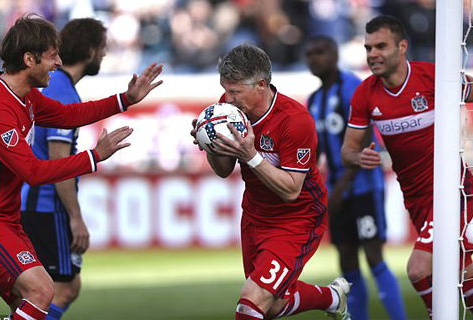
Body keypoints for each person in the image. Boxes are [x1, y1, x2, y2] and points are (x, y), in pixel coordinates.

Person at [0, 14, 163, 320]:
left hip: (9, 219)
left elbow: (70, 115)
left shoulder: (26, 98)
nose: (58, 62)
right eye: (51, 56)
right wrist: (94, 157)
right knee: (43, 291)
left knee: (29, 300)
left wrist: (126, 99)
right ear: (29, 59)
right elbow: (32, 171)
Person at [191, 43, 351, 320]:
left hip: (297, 219)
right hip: (255, 216)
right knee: (272, 306)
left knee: (251, 302)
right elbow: (223, 170)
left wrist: (251, 155)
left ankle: (332, 299)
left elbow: (291, 190)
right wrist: (211, 147)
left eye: (234, 92)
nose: (226, 99)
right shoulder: (229, 110)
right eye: (225, 90)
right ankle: (332, 298)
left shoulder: (295, 121)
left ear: (260, 85)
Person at [341, 15, 473, 318]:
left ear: (402, 47)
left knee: (418, 269)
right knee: (465, 273)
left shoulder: (433, 78)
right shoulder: (365, 94)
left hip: (455, 191)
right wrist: (358, 158)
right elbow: (348, 150)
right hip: (418, 202)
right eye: (368, 47)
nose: (372, 53)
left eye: (381, 46)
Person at [305, 35, 406, 320]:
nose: (314, 57)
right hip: (335, 192)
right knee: (347, 260)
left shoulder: (353, 89)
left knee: (374, 256)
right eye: (310, 53)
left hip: (363, 187)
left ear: (335, 54)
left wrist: (337, 188)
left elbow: (363, 144)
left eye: (320, 51)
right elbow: (315, 154)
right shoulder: (314, 101)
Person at [19, 18, 107, 320]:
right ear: (91, 51)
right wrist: (76, 218)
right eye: (103, 48)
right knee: (61, 289)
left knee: (42, 290)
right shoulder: (62, 92)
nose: (105, 55)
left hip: (29, 200)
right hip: (45, 206)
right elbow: (59, 163)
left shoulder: (51, 84)